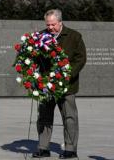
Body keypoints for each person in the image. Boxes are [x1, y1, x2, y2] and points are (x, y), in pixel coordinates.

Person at [33, 9, 87, 159]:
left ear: (60, 22)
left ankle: (70, 149)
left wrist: (67, 75)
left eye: (53, 24)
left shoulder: (74, 36)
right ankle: (43, 148)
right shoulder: (41, 36)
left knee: (69, 117)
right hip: (46, 84)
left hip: (67, 85)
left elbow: (80, 58)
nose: (50, 27)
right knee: (43, 116)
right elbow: (35, 57)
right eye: (48, 24)